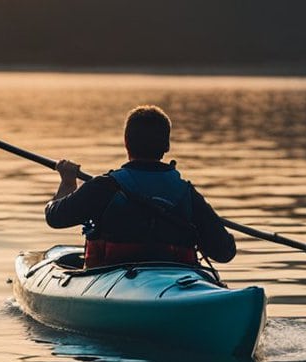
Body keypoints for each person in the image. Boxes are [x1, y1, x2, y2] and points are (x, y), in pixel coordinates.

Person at [45, 105, 236, 267]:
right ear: (167, 146)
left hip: (113, 277)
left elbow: (55, 217)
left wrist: (68, 181)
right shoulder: (187, 193)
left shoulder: (104, 186)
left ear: (126, 143)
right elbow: (225, 252)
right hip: (175, 277)